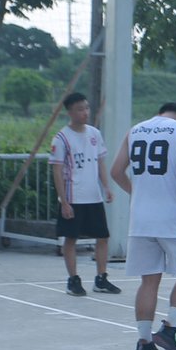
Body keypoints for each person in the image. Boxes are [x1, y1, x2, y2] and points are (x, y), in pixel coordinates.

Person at [110, 102, 176, 350]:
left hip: (140, 219)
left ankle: (144, 344)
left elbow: (116, 171)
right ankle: (170, 328)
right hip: (173, 218)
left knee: (149, 281)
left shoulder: (135, 130)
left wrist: (137, 193)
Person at [49, 91, 120, 296]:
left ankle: (101, 278)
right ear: (70, 112)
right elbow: (57, 171)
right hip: (73, 196)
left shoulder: (94, 134)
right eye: (80, 109)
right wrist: (64, 201)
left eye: (87, 108)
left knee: (103, 236)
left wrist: (106, 187)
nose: (85, 112)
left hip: (93, 196)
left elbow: (100, 163)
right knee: (71, 238)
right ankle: (73, 280)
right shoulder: (61, 138)